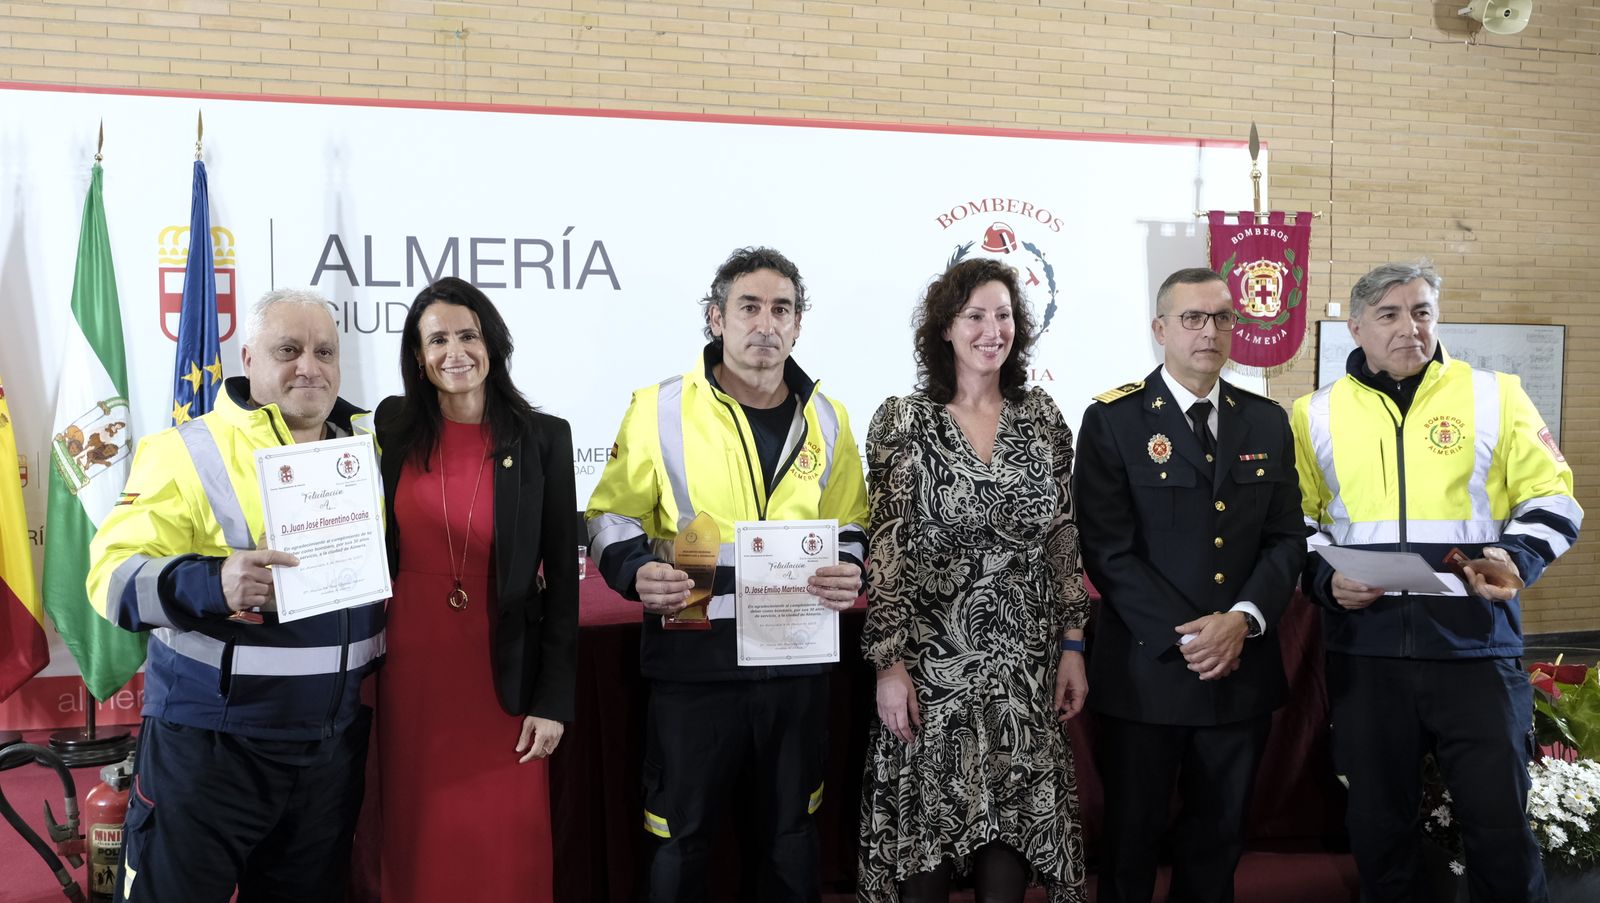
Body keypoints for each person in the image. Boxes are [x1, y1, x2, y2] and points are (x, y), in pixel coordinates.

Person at [1291, 260, 1582, 902]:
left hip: (1476, 651)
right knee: (1379, 831)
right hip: (1367, 657)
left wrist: (1515, 558)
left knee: (1500, 829)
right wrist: (1323, 581)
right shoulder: (1312, 414)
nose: (1408, 328)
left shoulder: (1496, 395)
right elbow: (1295, 524)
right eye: (1389, 315)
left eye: (1421, 311)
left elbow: (1555, 498)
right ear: (1357, 327)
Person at [586, 246, 870, 903]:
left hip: (795, 666)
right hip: (694, 665)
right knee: (678, 839)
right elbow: (608, 517)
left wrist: (849, 566)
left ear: (798, 324)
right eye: (749, 307)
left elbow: (851, 519)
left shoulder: (828, 416)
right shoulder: (657, 407)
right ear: (716, 317)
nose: (765, 322)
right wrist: (635, 573)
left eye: (782, 308)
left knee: (790, 837)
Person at [86, 290, 383, 903]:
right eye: (288, 349)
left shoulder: (370, 453)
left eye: (324, 351)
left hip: (332, 750)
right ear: (247, 357)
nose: (310, 366)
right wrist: (212, 583)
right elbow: (111, 577)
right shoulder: (186, 450)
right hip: (209, 749)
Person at [857, 258, 1091, 903]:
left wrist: (1073, 646)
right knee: (926, 868)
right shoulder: (903, 422)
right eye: (975, 316)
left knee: (1007, 862)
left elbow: (1063, 541)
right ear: (945, 330)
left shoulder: (1042, 419)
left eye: (1005, 315)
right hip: (932, 675)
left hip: (1024, 673)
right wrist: (888, 666)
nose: (993, 330)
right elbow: (889, 552)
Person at [1074, 267, 1305, 903]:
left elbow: (1287, 539)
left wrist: (1242, 621)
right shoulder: (1113, 420)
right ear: (1160, 329)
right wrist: (1191, 638)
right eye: (1193, 318)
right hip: (1149, 675)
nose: (1210, 331)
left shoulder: (1265, 422)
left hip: (1241, 669)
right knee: (1131, 843)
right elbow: (1107, 550)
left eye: (1223, 317)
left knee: (1218, 843)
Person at [370, 277, 578, 901]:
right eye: (437, 339)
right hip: (411, 664)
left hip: (503, 669)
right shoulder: (389, 427)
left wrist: (554, 699)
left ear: (493, 344)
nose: (454, 351)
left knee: (502, 839)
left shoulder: (543, 438)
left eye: (468, 335)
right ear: (416, 355)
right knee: (418, 831)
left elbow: (563, 585)